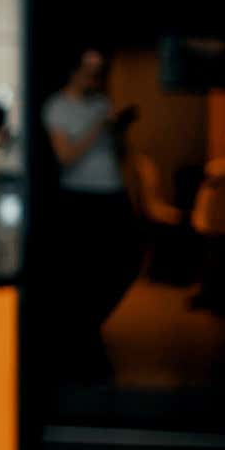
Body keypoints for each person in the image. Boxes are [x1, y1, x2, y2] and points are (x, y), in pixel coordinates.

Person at [42, 47, 140, 382]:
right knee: (84, 272)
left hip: (113, 193)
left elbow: (120, 154)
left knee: (128, 261)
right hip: (80, 197)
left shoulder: (102, 102)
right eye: (89, 70)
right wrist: (98, 127)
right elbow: (65, 157)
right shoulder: (57, 106)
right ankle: (83, 337)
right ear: (74, 71)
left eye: (99, 70)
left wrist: (118, 131)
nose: (95, 77)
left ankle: (87, 328)